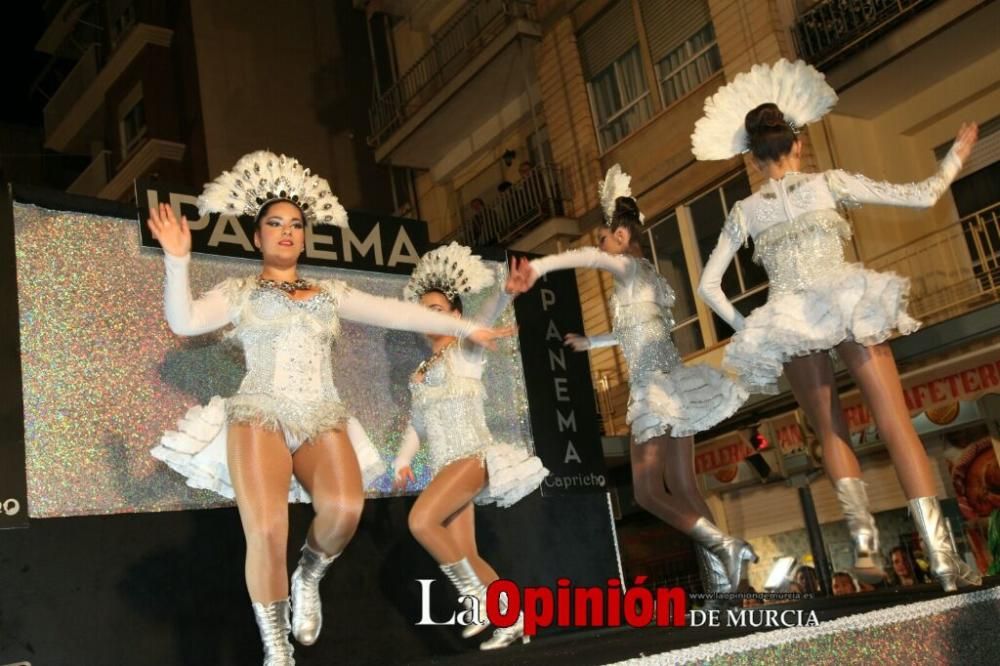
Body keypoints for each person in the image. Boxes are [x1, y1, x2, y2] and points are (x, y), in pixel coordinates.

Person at [148, 151, 514, 666]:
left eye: (295, 224)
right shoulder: (240, 292)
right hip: (259, 414)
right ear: (257, 237)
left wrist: (464, 327)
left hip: (321, 414)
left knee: (344, 510)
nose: (286, 231)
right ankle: (277, 648)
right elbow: (184, 322)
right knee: (269, 529)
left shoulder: (328, 292)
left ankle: (309, 575)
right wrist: (177, 259)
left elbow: (399, 312)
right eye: (274, 223)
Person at [692, 58, 982, 592]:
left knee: (830, 432)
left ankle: (867, 549)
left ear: (752, 160)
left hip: (790, 318)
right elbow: (921, 196)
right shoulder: (829, 183)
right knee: (895, 422)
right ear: (796, 145)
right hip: (848, 303)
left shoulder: (745, 212)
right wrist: (955, 159)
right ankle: (942, 560)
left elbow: (707, 288)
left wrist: (751, 326)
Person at [505, 165, 751, 604]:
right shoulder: (649, 275)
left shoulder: (625, 266)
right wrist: (594, 340)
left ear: (621, 237)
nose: (600, 246)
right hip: (675, 385)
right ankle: (724, 585)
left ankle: (723, 547)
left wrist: (539, 267)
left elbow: (586, 259)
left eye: (603, 237)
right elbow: (640, 329)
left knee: (648, 491)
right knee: (687, 488)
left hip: (654, 391)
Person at [393, 242, 548, 649]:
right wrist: (402, 462)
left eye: (439, 310)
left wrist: (507, 292)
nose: (430, 317)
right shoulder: (420, 373)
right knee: (464, 553)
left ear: (456, 316)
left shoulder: (466, 351)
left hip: (472, 456)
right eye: (424, 311)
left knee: (421, 522)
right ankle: (512, 619)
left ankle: (477, 600)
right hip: (447, 465)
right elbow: (417, 424)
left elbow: (486, 318)